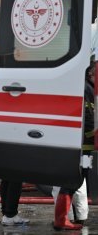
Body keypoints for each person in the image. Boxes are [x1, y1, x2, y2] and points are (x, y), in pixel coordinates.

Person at [53, 61, 95, 231]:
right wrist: (93, 134)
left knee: (77, 180)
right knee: (73, 180)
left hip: (85, 146)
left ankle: (64, 219)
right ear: (90, 74)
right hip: (82, 147)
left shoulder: (89, 88)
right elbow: (88, 117)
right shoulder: (86, 88)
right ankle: (61, 219)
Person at [0, 82, 29, 226]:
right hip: (10, 131)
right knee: (15, 176)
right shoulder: (3, 87)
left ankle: (8, 213)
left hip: (1, 130)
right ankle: (10, 214)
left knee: (7, 176)